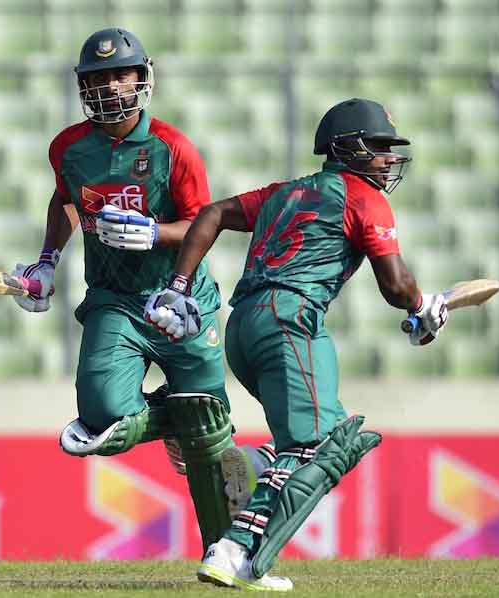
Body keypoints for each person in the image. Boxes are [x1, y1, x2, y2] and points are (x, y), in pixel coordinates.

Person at [144, 98, 449, 590]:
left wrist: (178, 286)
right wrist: (421, 307)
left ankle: (250, 467)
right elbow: (395, 285)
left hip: (243, 326)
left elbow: (214, 212)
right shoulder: (363, 196)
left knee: (312, 441)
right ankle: (236, 550)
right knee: (319, 447)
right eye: (378, 147)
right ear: (345, 147)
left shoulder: (285, 192)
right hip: (292, 319)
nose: (388, 158)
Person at [11, 27, 253, 551]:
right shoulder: (69, 148)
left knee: (209, 451)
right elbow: (65, 200)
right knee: (99, 418)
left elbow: (201, 224)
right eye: (97, 77)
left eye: (121, 74)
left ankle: (228, 557)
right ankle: (185, 417)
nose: (110, 86)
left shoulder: (174, 148)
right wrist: (47, 262)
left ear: (142, 78)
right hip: (115, 301)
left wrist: (153, 233)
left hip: (181, 301)